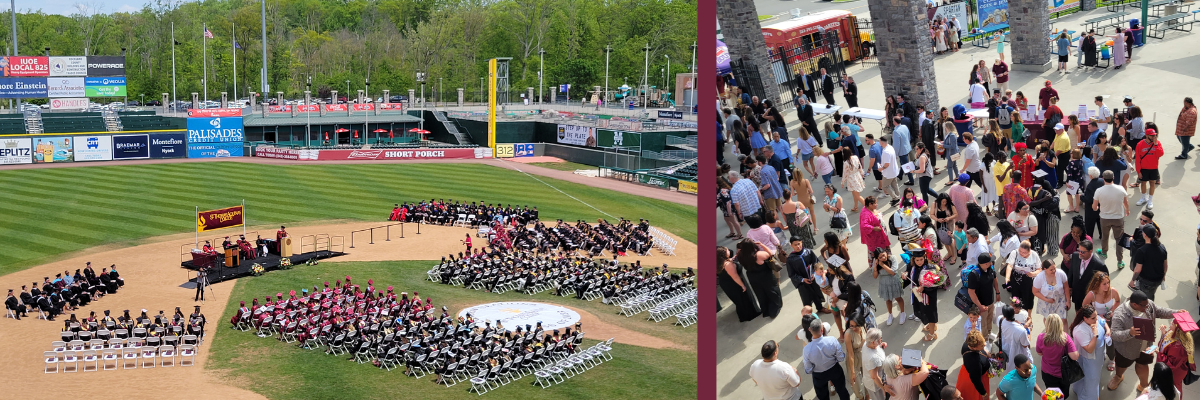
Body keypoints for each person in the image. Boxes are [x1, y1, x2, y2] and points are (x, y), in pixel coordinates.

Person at [1108, 290, 1183, 392]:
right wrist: (1129, 333)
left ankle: (1144, 385)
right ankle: (1118, 376)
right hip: (1126, 349)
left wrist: (1176, 313)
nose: (1147, 307)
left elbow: (1160, 311)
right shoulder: (1119, 314)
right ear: (1135, 304)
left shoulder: (1148, 304)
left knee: (1143, 365)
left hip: (1146, 346)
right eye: (1144, 306)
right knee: (1122, 365)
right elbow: (1114, 334)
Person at [802, 318, 850, 400]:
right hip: (835, 370)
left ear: (809, 329)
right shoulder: (832, 340)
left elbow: (808, 369)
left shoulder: (806, 349)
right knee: (842, 391)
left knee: (823, 397)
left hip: (819, 375)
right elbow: (841, 358)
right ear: (822, 330)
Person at [1036, 315, 1081, 398]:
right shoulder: (1065, 337)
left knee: (1052, 396)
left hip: (1047, 373)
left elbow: (1039, 352)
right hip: (1064, 373)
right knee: (1063, 395)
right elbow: (1075, 356)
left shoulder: (1040, 337)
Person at [737, 238, 782, 319]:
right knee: (772, 291)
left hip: (752, 276)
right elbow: (770, 254)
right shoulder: (759, 255)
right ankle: (774, 309)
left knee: (760, 293)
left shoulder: (740, 255)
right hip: (765, 275)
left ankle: (766, 309)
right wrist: (761, 244)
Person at [1070, 305, 1108, 400]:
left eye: (1096, 316)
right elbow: (1089, 349)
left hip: (1098, 356)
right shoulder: (1080, 330)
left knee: (1093, 378)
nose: (1096, 319)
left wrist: (1108, 330)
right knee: (1091, 379)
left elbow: (1102, 321)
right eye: (1093, 318)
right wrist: (1095, 335)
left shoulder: (1094, 319)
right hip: (1089, 359)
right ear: (1085, 319)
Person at [1093, 170, 1129, 269]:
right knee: (1119, 239)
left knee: (1105, 236)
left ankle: (1104, 252)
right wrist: (1127, 211)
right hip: (1118, 218)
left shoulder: (1099, 191)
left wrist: (1097, 209)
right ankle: (1120, 261)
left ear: (1103, 178)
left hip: (1105, 218)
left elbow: (1094, 207)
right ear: (1113, 178)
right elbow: (1125, 202)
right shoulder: (1121, 188)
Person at [787, 237, 829, 314]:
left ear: (801, 242)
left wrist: (814, 273)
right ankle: (808, 314)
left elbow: (816, 263)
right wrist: (802, 279)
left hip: (813, 279)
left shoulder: (809, 252)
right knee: (806, 298)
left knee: (816, 293)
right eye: (795, 245)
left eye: (799, 244)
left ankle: (820, 308)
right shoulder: (790, 259)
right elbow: (791, 274)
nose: (798, 246)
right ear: (791, 245)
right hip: (803, 283)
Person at [718, 246, 758, 322]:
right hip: (735, 283)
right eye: (727, 250)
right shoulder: (728, 265)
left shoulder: (720, 263)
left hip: (726, 284)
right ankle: (751, 314)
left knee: (739, 300)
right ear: (724, 254)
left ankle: (743, 315)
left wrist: (732, 259)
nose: (729, 250)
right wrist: (742, 285)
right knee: (744, 298)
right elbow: (735, 276)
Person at [1130, 225, 1167, 301]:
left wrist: (1132, 280)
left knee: (1147, 300)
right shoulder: (1162, 247)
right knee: (1150, 294)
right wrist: (1163, 276)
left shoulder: (1142, 251)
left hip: (1147, 281)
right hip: (1158, 279)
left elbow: (1138, 270)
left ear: (1145, 235)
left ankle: (1150, 311)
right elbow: (1165, 265)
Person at [967, 253, 999, 339]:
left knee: (989, 318)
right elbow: (971, 292)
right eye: (990, 261)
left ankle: (989, 332)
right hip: (981, 304)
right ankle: (984, 338)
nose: (992, 263)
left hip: (990, 301)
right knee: (982, 323)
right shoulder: (974, 274)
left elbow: (995, 279)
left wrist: (997, 293)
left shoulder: (990, 268)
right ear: (985, 263)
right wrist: (979, 306)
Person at [870, 248, 905, 326]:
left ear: (885, 252)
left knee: (898, 298)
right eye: (880, 257)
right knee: (888, 300)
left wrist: (882, 264)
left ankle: (902, 313)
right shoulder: (876, 262)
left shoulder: (892, 258)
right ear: (877, 258)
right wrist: (875, 267)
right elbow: (875, 276)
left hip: (894, 281)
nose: (883, 258)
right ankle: (890, 314)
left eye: (883, 255)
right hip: (884, 283)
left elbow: (893, 272)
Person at [957, 330, 992, 400]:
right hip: (975, 381)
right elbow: (976, 381)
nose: (985, 345)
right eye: (982, 345)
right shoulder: (975, 363)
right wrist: (983, 393)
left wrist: (988, 355)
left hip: (967, 372)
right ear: (973, 348)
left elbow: (983, 351)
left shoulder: (967, 344)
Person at [1134, 128, 1164, 209]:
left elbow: (1160, 154)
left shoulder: (1157, 143)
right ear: (1147, 136)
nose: (1154, 137)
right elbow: (1137, 159)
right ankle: (1143, 198)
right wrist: (1138, 171)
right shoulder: (1140, 144)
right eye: (1152, 135)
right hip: (1144, 168)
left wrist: (1156, 145)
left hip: (1153, 168)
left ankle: (1150, 199)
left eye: (1155, 135)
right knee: (1143, 183)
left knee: (1152, 183)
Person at [861, 328, 889, 400]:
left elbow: (875, 349)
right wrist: (883, 388)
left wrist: (880, 346)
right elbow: (874, 376)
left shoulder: (866, 343)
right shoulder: (873, 358)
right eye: (880, 339)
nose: (881, 339)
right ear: (873, 342)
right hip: (875, 386)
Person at [1080, 167, 1104, 239]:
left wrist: (1081, 196)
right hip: (1101, 207)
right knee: (1100, 224)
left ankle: (1089, 238)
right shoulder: (1101, 181)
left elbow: (1088, 199)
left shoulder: (1090, 186)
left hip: (1091, 210)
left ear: (1090, 175)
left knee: (1089, 226)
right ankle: (1102, 236)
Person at [879, 135, 902, 204]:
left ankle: (896, 198)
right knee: (894, 185)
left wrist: (881, 168)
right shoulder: (890, 147)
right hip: (894, 171)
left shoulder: (886, 152)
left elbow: (887, 164)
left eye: (879, 142)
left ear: (882, 143)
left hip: (889, 173)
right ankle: (898, 197)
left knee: (885, 186)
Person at [842, 147, 866, 212]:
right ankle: (855, 207)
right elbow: (859, 166)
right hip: (857, 176)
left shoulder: (846, 162)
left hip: (852, 179)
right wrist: (862, 173)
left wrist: (843, 182)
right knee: (855, 194)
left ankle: (869, 208)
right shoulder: (855, 157)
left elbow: (845, 174)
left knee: (857, 195)